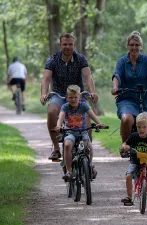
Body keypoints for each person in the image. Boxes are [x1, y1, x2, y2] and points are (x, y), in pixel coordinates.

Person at [40, 33, 99, 161]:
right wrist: (44, 94)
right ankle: (56, 148)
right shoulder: (52, 60)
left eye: (70, 44)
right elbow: (46, 78)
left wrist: (92, 92)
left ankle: (87, 152)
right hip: (59, 95)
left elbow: (88, 76)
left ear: (74, 45)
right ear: (60, 45)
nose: (67, 47)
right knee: (51, 111)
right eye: (65, 44)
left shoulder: (80, 59)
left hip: (77, 96)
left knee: (87, 119)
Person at [111, 31, 147, 144]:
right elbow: (117, 75)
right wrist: (115, 88)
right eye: (131, 45)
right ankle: (125, 145)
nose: (134, 47)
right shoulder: (122, 61)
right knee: (126, 119)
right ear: (127, 46)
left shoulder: (146, 60)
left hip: (146, 99)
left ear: (141, 46)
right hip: (127, 99)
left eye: (137, 45)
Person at [54, 85, 106, 181]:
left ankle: (89, 165)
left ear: (80, 97)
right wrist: (58, 126)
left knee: (89, 147)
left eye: (75, 97)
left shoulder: (84, 105)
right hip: (69, 132)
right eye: (70, 97)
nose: (73, 99)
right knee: (67, 145)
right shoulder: (65, 107)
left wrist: (99, 124)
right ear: (67, 97)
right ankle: (69, 171)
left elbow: (92, 115)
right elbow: (60, 118)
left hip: (82, 132)